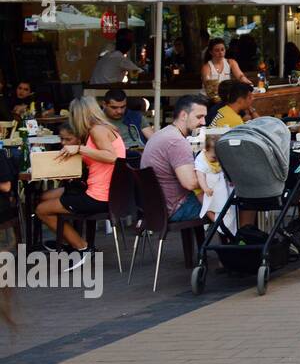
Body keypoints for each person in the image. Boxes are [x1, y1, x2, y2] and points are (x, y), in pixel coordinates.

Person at [34, 96, 126, 268]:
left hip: (100, 196)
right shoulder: (104, 128)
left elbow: (112, 157)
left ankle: (82, 247)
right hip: (106, 191)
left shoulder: (97, 130)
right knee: (46, 198)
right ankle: (70, 242)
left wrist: (79, 148)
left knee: (42, 210)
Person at [140, 94, 209, 222]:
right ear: (183, 115)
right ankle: (236, 240)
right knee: (229, 204)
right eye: (199, 117)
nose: (203, 122)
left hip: (155, 207)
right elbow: (190, 183)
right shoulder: (176, 141)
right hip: (175, 208)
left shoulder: (163, 133)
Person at [194, 133, 233, 233]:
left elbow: (226, 169)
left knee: (225, 204)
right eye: (214, 158)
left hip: (218, 187)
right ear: (205, 150)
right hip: (206, 189)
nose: (217, 161)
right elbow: (200, 176)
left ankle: (225, 224)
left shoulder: (217, 158)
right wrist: (205, 188)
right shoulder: (201, 160)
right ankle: (218, 223)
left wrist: (230, 179)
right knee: (208, 206)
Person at [201, 38, 252, 102]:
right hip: (207, 99)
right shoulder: (206, 67)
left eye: (222, 49)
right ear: (211, 52)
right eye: (217, 50)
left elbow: (240, 76)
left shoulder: (231, 62)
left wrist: (245, 80)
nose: (220, 52)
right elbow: (209, 87)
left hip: (223, 98)